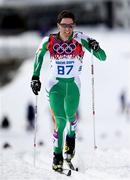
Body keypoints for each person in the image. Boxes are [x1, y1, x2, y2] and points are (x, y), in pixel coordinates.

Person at [31, 10, 106, 171]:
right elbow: (38, 55)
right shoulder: (49, 40)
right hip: (54, 86)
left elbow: (102, 57)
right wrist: (35, 77)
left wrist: (96, 47)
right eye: (64, 25)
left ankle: (69, 146)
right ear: (58, 25)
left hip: (73, 87)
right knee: (61, 121)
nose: (67, 29)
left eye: (70, 25)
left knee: (71, 119)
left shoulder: (80, 39)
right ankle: (57, 157)